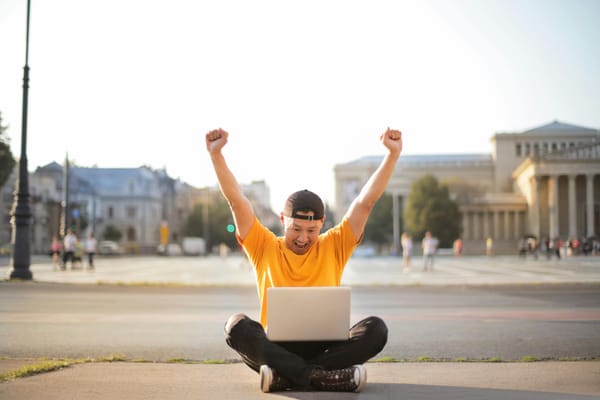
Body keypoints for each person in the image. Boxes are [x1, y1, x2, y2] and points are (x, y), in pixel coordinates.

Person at [206, 127, 402, 393]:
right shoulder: (263, 245)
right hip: (275, 346)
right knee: (236, 326)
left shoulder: (335, 244)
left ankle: (286, 376)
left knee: (376, 329)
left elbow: (365, 202)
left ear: (322, 223)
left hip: (324, 347)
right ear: (282, 220)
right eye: (295, 229)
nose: (302, 238)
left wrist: (392, 154)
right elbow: (237, 202)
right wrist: (216, 154)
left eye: (311, 231)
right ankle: (320, 377)